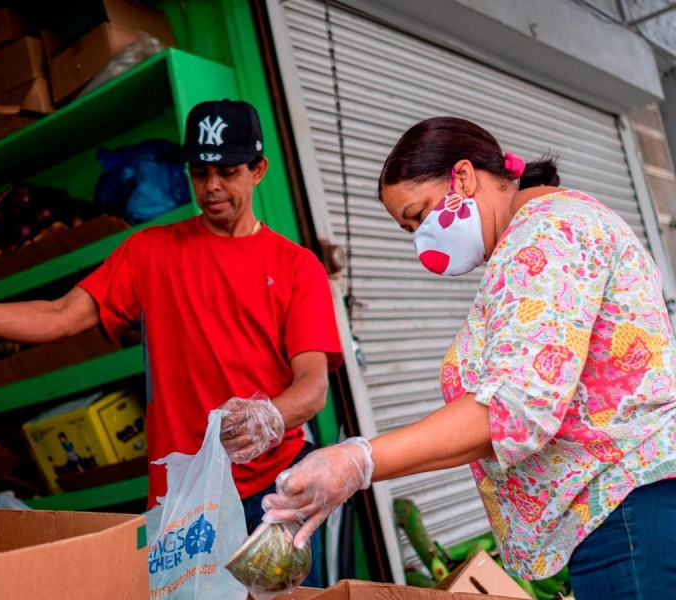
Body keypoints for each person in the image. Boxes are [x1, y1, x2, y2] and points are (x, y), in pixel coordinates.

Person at [0, 99, 342, 587]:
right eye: (200, 172)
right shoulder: (150, 251)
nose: (212, 186)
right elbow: (61, 316)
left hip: (270, 492)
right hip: (180, 500)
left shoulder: (297, 267)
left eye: (228, 171)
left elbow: (313, 386)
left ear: (258, 170)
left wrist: (269, 415)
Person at [262, 116, 676, 600]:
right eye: (408, 229)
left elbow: (514, 411)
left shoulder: (544, 238)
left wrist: (358, 461)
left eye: (418, 215)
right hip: (623, 512)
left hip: (625, 513)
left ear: (462, 177)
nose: (421, 241)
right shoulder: (549, 230)